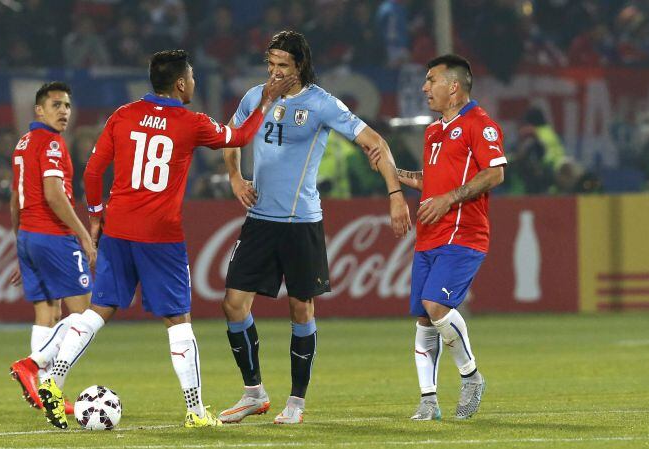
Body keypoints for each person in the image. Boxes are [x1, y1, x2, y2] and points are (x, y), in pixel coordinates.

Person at [35, 49, 295, 430]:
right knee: (178, 320)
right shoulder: (191, 122)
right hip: (160, 234)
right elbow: (239, 136)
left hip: (118, 228)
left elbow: (93, 172)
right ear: (179, 83)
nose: (194, 83)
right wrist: (267, 99)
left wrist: (94, 218)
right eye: (191, 77)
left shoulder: (122, 115)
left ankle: (54, 381)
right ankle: (194, 409)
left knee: (98, 310)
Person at [218, 30, 411, 425]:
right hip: (259, 220)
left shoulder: (322, 104)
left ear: (300, 66)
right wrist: (236, 178)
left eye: (282, 66)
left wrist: (394, 194)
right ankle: (253, 392)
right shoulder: (255, 97)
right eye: (270, 65)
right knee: (233, 304)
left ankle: (296, 402)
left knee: (300, 309)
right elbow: (231, 137)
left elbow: (375, 141)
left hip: (300, 222)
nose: (274, 73)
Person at [392, 54, 505, 421]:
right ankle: (428, 401)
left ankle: (471, 376)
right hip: (429, 236)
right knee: (425, 319)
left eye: (431, 80)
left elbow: (494, 174)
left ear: (453, 86)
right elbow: (434, 181)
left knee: (436, 307)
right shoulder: (433, 131)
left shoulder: (480, 124)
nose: (424, 87)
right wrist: (391, 171)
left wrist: (450, 198)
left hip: (464, 234)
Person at [8, 82, 96, 417]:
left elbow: (16, 198)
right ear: (39, 111)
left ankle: (45, 394)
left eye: (67, 106)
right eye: (56, 104)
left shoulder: (23, 143)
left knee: (49, 314)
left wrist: (21, 244)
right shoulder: (52, 143)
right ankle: (34, 366)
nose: (64, 111)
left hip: (30, 236)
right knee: (87, 314)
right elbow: (54, 194)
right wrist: (84, 236)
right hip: (54, 236)